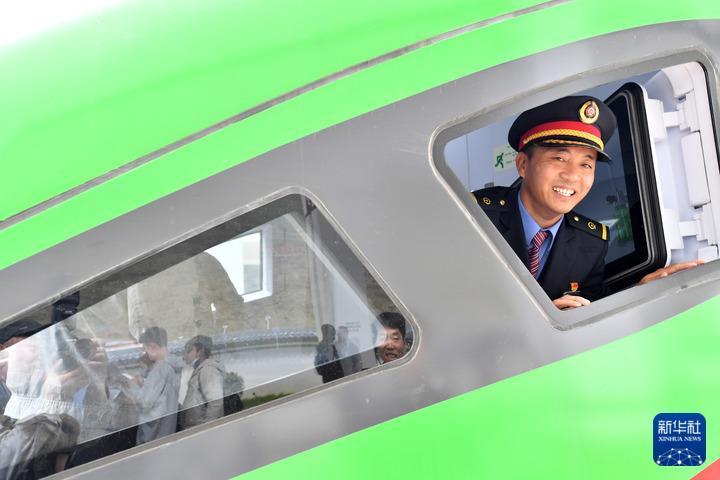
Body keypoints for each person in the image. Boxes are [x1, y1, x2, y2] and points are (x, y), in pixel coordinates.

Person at [472, 95, 703, 309]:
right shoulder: (474, 215)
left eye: (586, 164)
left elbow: (593, 304)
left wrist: (639, 292)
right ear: (523, 165)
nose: (572, 176)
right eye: (559, 158)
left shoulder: (591, 242)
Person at [127, 326, 179, 445]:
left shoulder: (160, 369)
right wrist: (144, 384)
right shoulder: (170, 366)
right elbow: (160, 397)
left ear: (152, 346)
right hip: (166, 430)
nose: (145, 353)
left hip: (155, 435)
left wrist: (134, 386)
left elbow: (144, 403)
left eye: (145, 349)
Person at [179, 335, 225, 430]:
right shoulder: (199, 370)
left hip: (201, 430)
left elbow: (215, 404)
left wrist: (206, 429)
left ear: (200, 351)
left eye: (189, 350)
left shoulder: (208, 370)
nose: (184, 356)